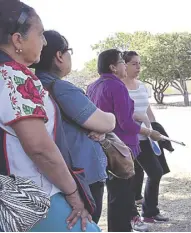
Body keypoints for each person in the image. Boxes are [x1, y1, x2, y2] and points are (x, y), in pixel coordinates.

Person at [0, 1, 99, 231]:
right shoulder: (15, 77)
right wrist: (73, 193)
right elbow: (39, 148)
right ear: (18, 40)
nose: (44, 41)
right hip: (34, 197)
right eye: (41, 33)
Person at [32, 30, 116, 224]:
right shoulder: (59, 87)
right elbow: (106, 122)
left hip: (55, 173)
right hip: (81, 174)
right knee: (85, 222)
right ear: (59, 56)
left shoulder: (33, 84)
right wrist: (109, 118)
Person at [87, 49, 162, 232]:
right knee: (121, 197)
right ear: (113, 67)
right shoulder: (117, 86)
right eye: (122, 62)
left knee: (115, 195)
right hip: (121, 148)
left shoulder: (93, 86)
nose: (124, 65)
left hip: (103, 146)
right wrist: (148, 132)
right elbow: (125, 123)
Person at [122, 51, 169, 223]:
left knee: (156, 172)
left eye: (139, 63)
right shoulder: (120, 87)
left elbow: (147, 109)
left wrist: (155, 126)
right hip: (129, 140)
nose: (138, 67)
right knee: (131, 178)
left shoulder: (141, 86)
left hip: (147, 138)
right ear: (124, 65)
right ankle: (132, 216)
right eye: (134, 63)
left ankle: (150, 212)